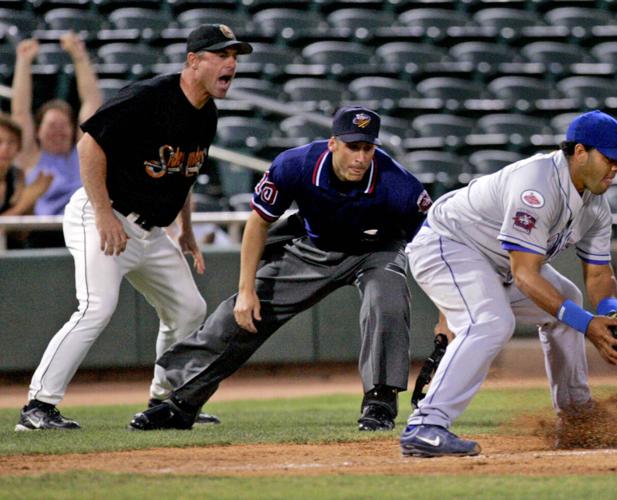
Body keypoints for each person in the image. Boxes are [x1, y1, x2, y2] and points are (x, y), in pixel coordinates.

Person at [128, 105, 430, 432]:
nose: (360, 157)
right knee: (241, 313)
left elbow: (433, 245)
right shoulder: (296, 164)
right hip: (315, 245)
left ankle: (379, 404)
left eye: (367, 148)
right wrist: (246, 292)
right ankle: (180, 403)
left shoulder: (398, 184)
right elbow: (257, 223)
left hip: (377, 249)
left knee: (385, 300)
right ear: (333, 144)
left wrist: (445, 312)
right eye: (352, 147)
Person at [16, 25, 253, 431]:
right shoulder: (150, 97)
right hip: (102, 215)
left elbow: (184, 174)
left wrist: (188, 231)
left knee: (188, 309)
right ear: (193, 61)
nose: (231, 62)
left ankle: (163, 401)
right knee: (96, 306)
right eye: (221, 54)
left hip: (151, 230)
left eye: (234, 55)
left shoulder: (206, 113)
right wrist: (104, 213)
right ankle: (37, 406)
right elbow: (89, 143)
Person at [398, 110, 617, 457]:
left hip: (497, 263)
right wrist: (588, 324)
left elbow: (600, 274)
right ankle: (426, 425)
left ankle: (577, 418)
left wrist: (610, 315)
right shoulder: (537, 185)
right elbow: (526, 275)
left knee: (566, 298)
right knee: (491, 321)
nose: (616, 168)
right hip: (448, 244)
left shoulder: (596, 205)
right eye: (609, 158)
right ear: (580, 152)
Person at [12, 33, 102, 246]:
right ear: (38, 131)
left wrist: (79, 58)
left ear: (73, 131)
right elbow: (20, 112)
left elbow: (91, 103)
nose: (58, 131)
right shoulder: (31, 156)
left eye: (64, 126)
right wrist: (24, 62)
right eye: (51, 126)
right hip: (40, 237)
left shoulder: (81, 154)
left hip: (82, 236)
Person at [0, 116, 51, 217]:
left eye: (12, 142)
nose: (5, 148)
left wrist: (32, 200)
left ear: (18, 147)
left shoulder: (17, 175)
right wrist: (24, 203)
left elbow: (22, 231)